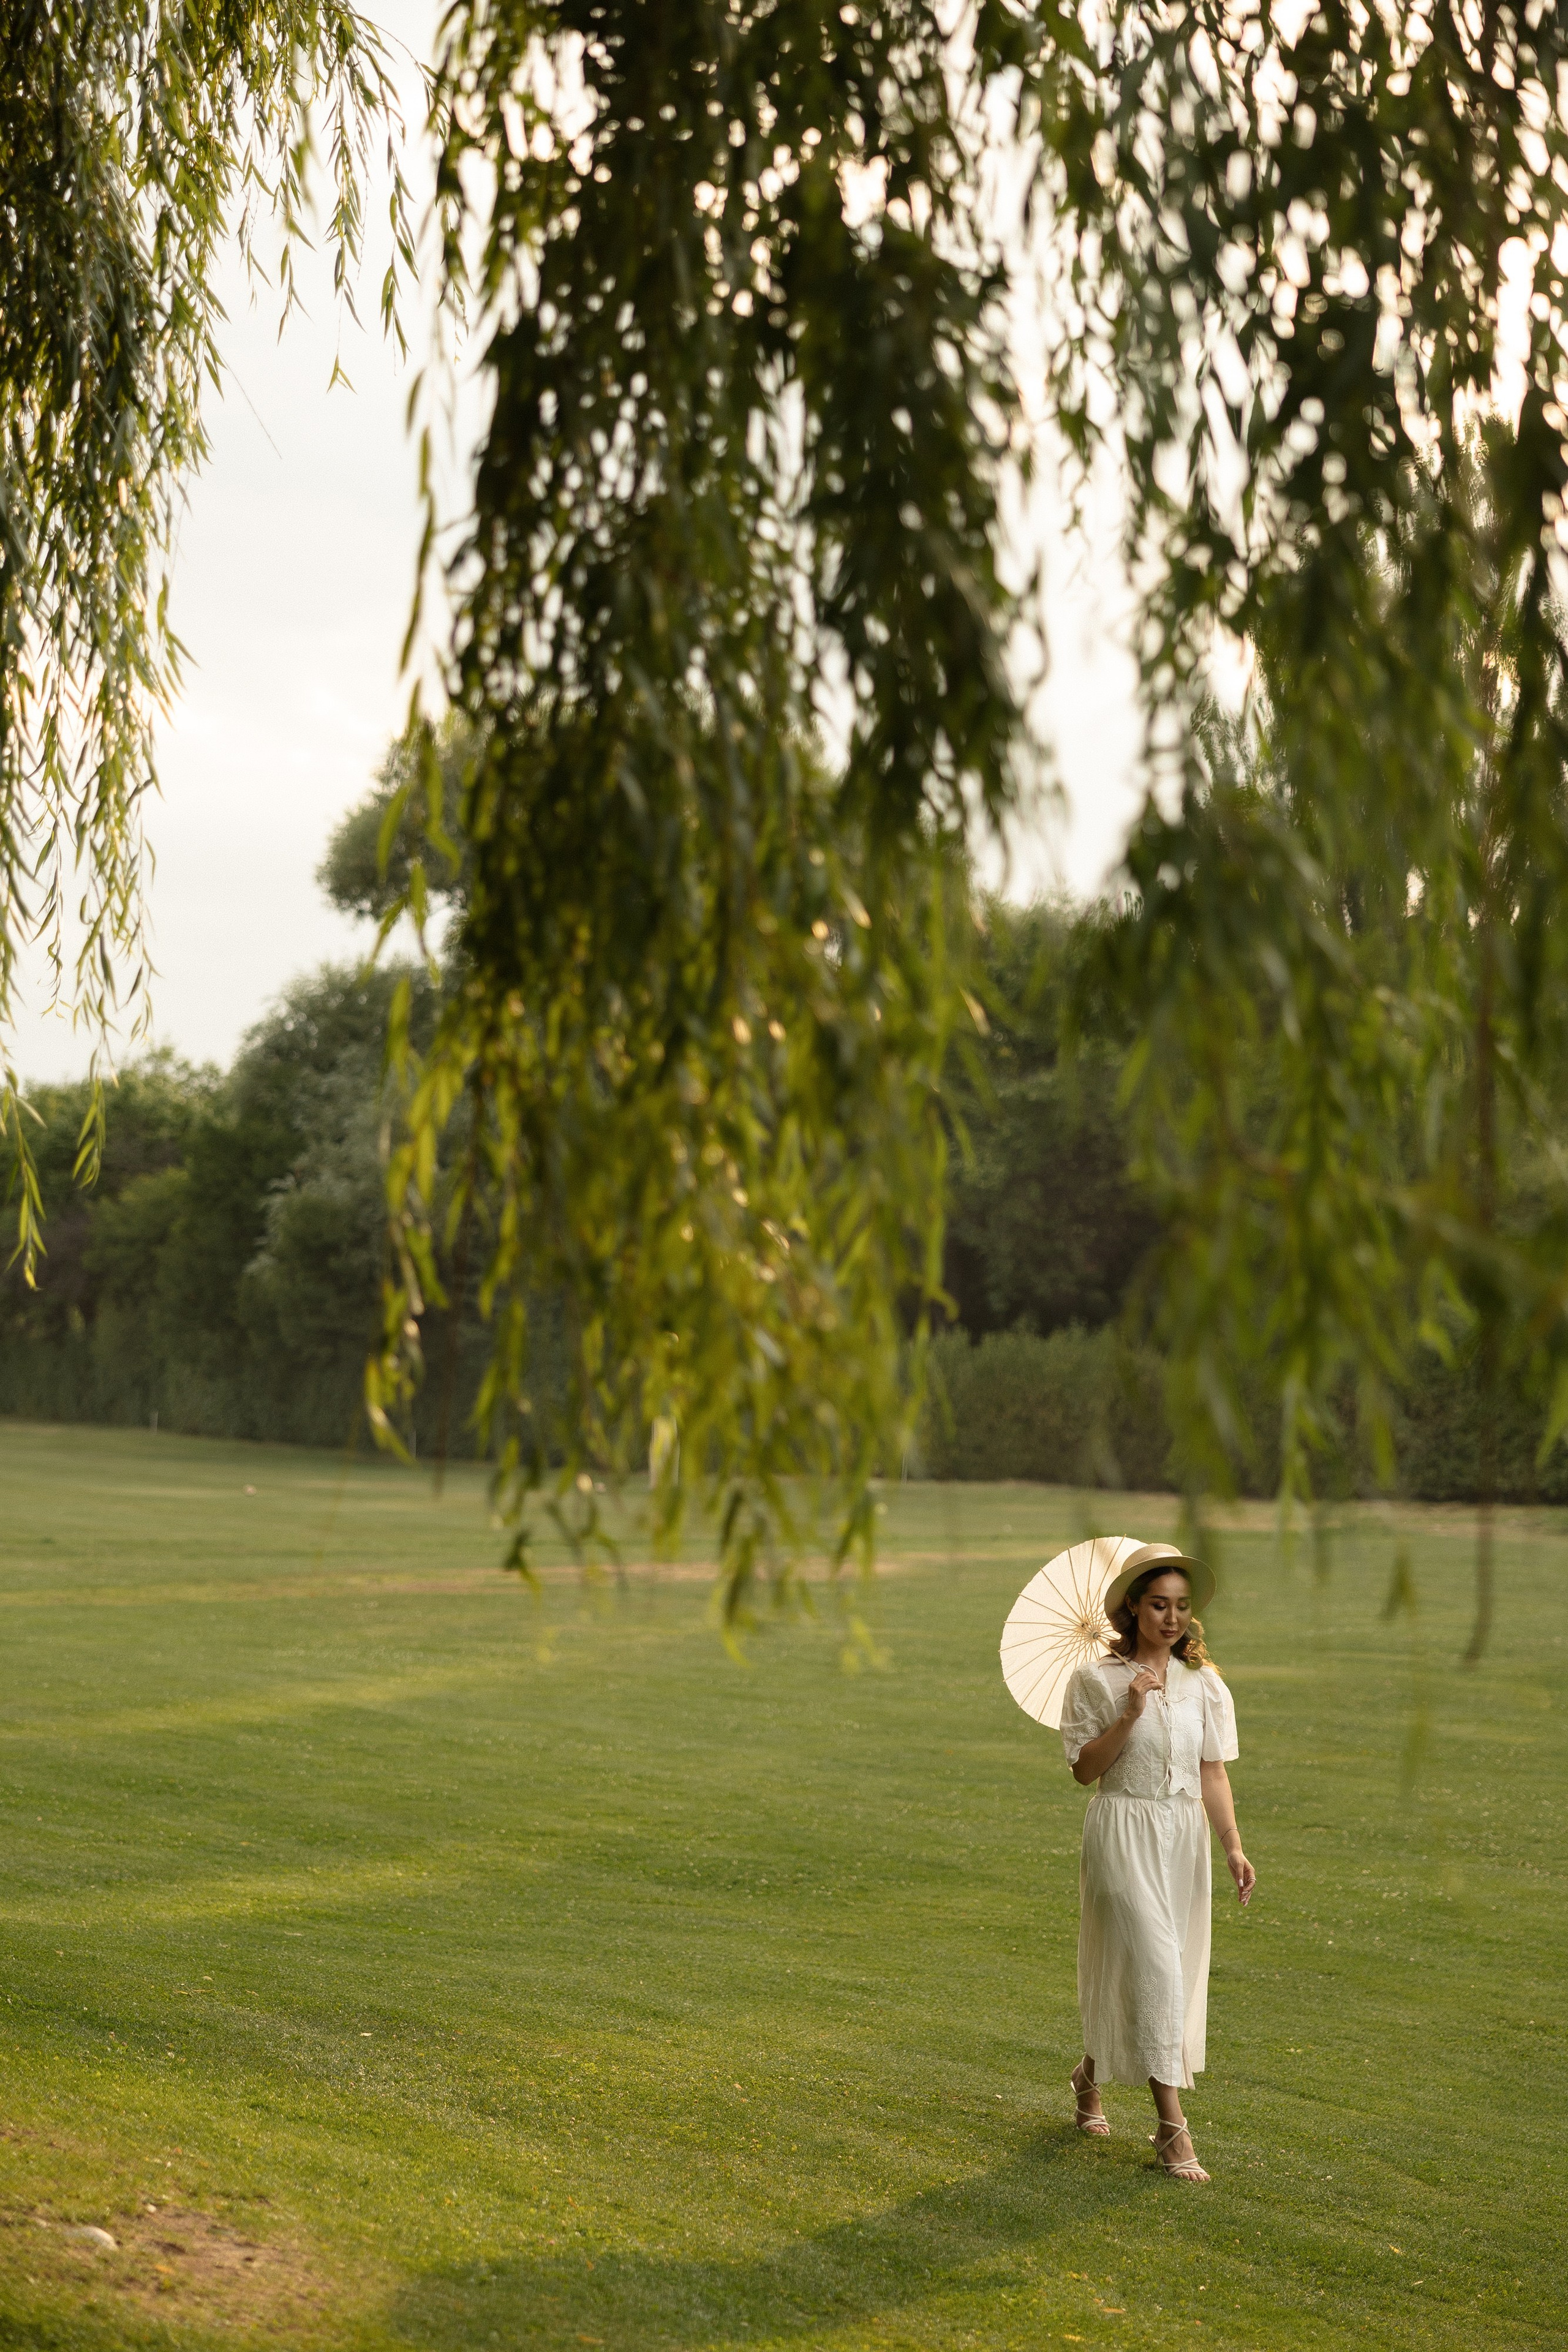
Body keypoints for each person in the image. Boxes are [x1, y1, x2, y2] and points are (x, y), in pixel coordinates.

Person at [1057, 1543, 1255, 2182]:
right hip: (1121, 1829)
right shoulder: (1095, 1680)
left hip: (1181, 1838)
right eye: (1157, 1605)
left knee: (1152, 1968)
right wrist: (1130, 1711)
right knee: (1154, 1968)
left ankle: (1089, 2074)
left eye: (1180, 1606)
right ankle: (1172, 2129)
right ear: (1132, 1608)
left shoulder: (1203, 1681)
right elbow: (1085, 1772)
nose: (1171, 1618)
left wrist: (1231, 1844)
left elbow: (1212, 1771)